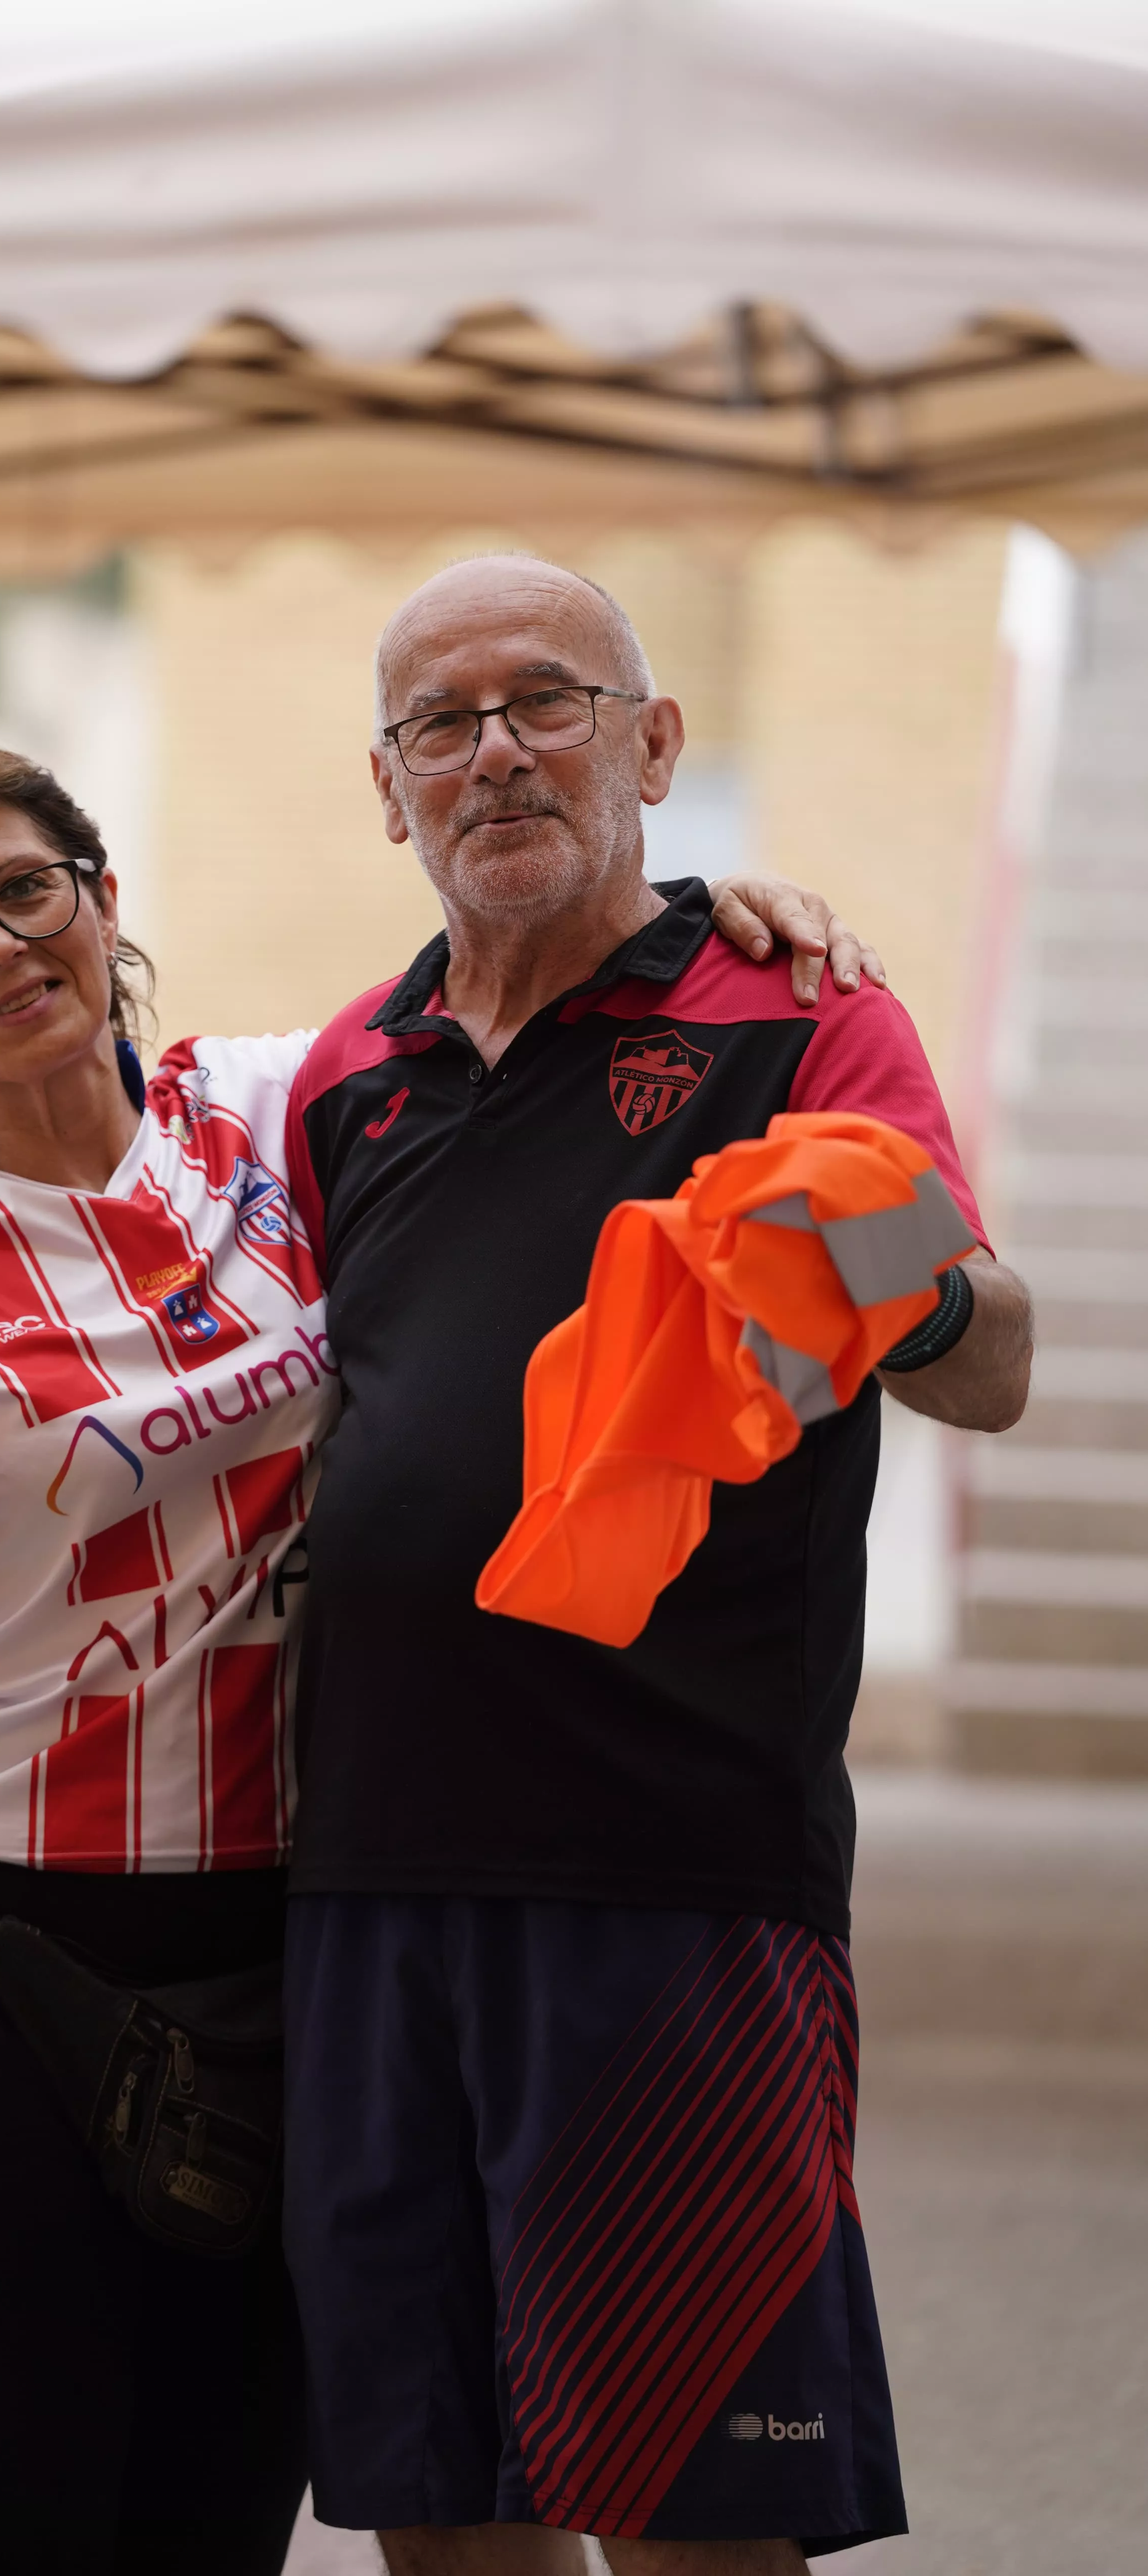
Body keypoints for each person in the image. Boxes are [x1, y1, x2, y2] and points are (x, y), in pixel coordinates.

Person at [0, 726, 890, 2575]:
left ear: (103, 903)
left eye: (25, 889)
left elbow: (531, 1009)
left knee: (214, 2512)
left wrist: (733, 924)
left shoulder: (284, 1108)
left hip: (262, 1933)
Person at [278, 556, 1034, 2575]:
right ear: (387, 783)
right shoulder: (345, 1071)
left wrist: (858, 1256)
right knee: (438, 2510)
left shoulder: (799, 1013)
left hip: (671, 1886)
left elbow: (992, 1360)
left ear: (653, 741)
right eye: (443, 720)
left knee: (694, 2524)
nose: (497, 748)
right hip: (365, 1885)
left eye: (548, 698)